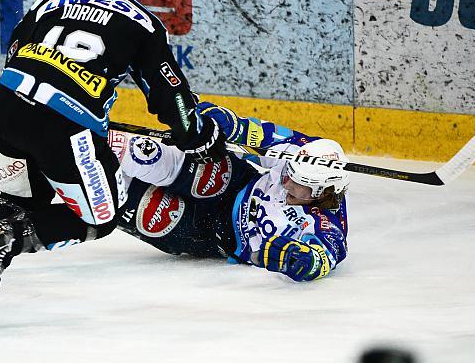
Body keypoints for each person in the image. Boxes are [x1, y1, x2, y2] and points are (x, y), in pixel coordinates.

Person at [0, 0, 226, 318]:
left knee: (20, 200)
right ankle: (1, 240)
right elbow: (171, 100)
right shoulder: (141, 21)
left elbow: (16, 50)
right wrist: (199, 138)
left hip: (6, 109)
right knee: (100, 218)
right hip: (63, 125)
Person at [113, 102, 349, 281]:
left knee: (120, 197)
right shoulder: (301, 151)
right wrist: (226, 123)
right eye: (288, 172)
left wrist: (304, 261)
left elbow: (326, 254)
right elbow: (255, 133)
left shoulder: (326, 223)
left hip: (212, 236)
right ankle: (98, 142)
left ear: (319, 194)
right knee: (152, 157)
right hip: (232, 183)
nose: (286, 181)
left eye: (296, 182)